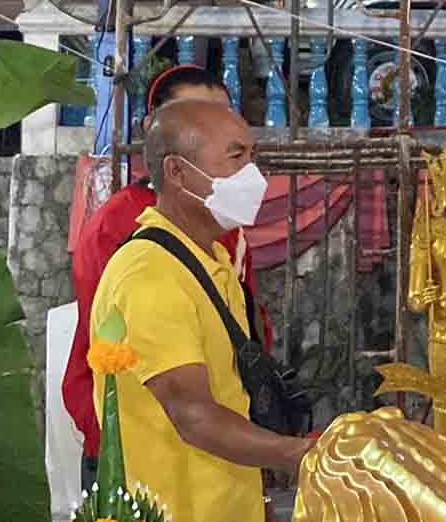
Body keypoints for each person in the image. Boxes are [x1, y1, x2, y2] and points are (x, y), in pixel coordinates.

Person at [91, 100, 311, 522]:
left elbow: (232, 399)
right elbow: (194, 416)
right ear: (177, 172)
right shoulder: (150, 275)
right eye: (236, 157)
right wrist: (298, 454)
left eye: (252, 157)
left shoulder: (211, 260)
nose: (253, 175)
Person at [63, 66, 271, 492]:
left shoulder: (222, 232)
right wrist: (293, 452)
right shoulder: (123, 229)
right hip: (150, 455)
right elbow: (130, 350)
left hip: (225, 448)